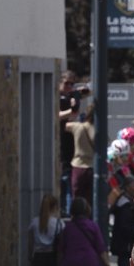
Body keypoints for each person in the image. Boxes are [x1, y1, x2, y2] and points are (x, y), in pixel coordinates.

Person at [59, 71, 85, 214]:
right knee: (64, 182)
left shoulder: (70, 97)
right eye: (66, 83)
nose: (69, 86)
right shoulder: (57, 98)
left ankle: (68, 214)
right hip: (60, 145)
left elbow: (90, 92)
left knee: (68, 182)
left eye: (72, 83)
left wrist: (78, 94)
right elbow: (56, 115)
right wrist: (70, 111)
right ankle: (63, 212)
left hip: (70, 147)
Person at [65, 100, 95, 204]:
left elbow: (62, 123)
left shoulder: (78, 127)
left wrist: (71, 112)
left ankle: (76, 219)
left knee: (76, 198)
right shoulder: (99, 130)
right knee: (90, 200)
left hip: (78, 165)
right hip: (93, 167)